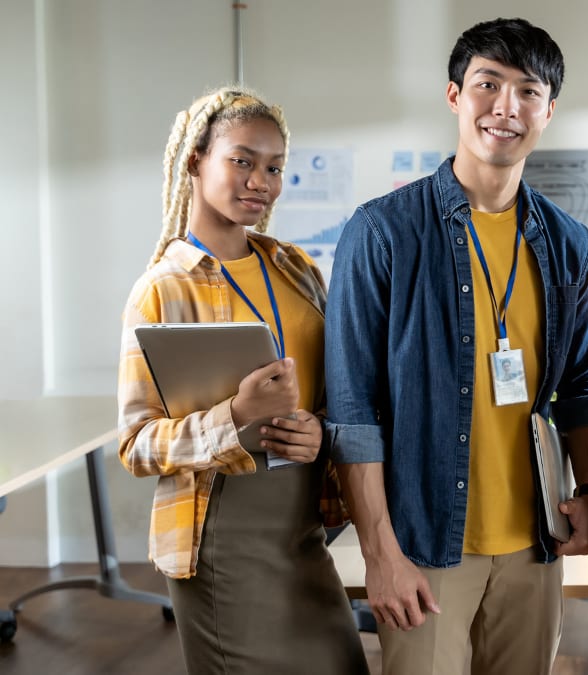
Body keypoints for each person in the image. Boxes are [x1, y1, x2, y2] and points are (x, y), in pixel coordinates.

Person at [324, 18, 588, 675]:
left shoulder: (570, 244)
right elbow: (351, 410)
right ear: (455, 95)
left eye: (527, 92)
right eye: (488, 84)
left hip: (535, 544)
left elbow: (580, 387)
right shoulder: (383, 232)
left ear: (549, 110)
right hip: (424, 543)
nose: (506, 108)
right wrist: (380, 555)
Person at [117, 87, 368, 674]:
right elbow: (135, 444)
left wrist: (320, 431)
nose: (262, 181)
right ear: (195, 161)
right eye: (242, 160)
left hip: (305, 526)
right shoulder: (164, 288)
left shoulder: (296, 269)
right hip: (221, 535)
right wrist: (235, 417)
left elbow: (337, 394)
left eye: (275, 167)